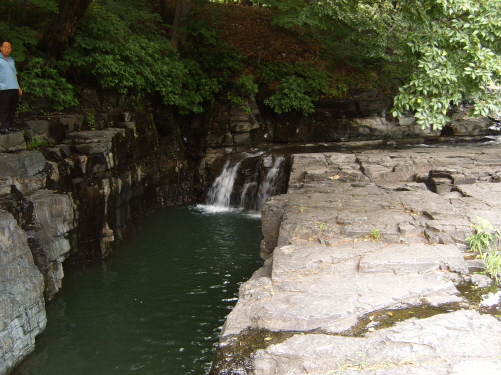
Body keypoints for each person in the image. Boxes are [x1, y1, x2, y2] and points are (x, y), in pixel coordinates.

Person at [0, 40, 22, 134]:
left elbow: (14, 74)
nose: (7, 49)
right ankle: (3, 127)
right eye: (5, 47)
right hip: (4, 87)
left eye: (9, 47)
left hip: (14, 87)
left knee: (12, 108)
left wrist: (18, 87)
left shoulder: (11, 60)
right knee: (4, 107)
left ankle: (10, 125)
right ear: (1, 48)